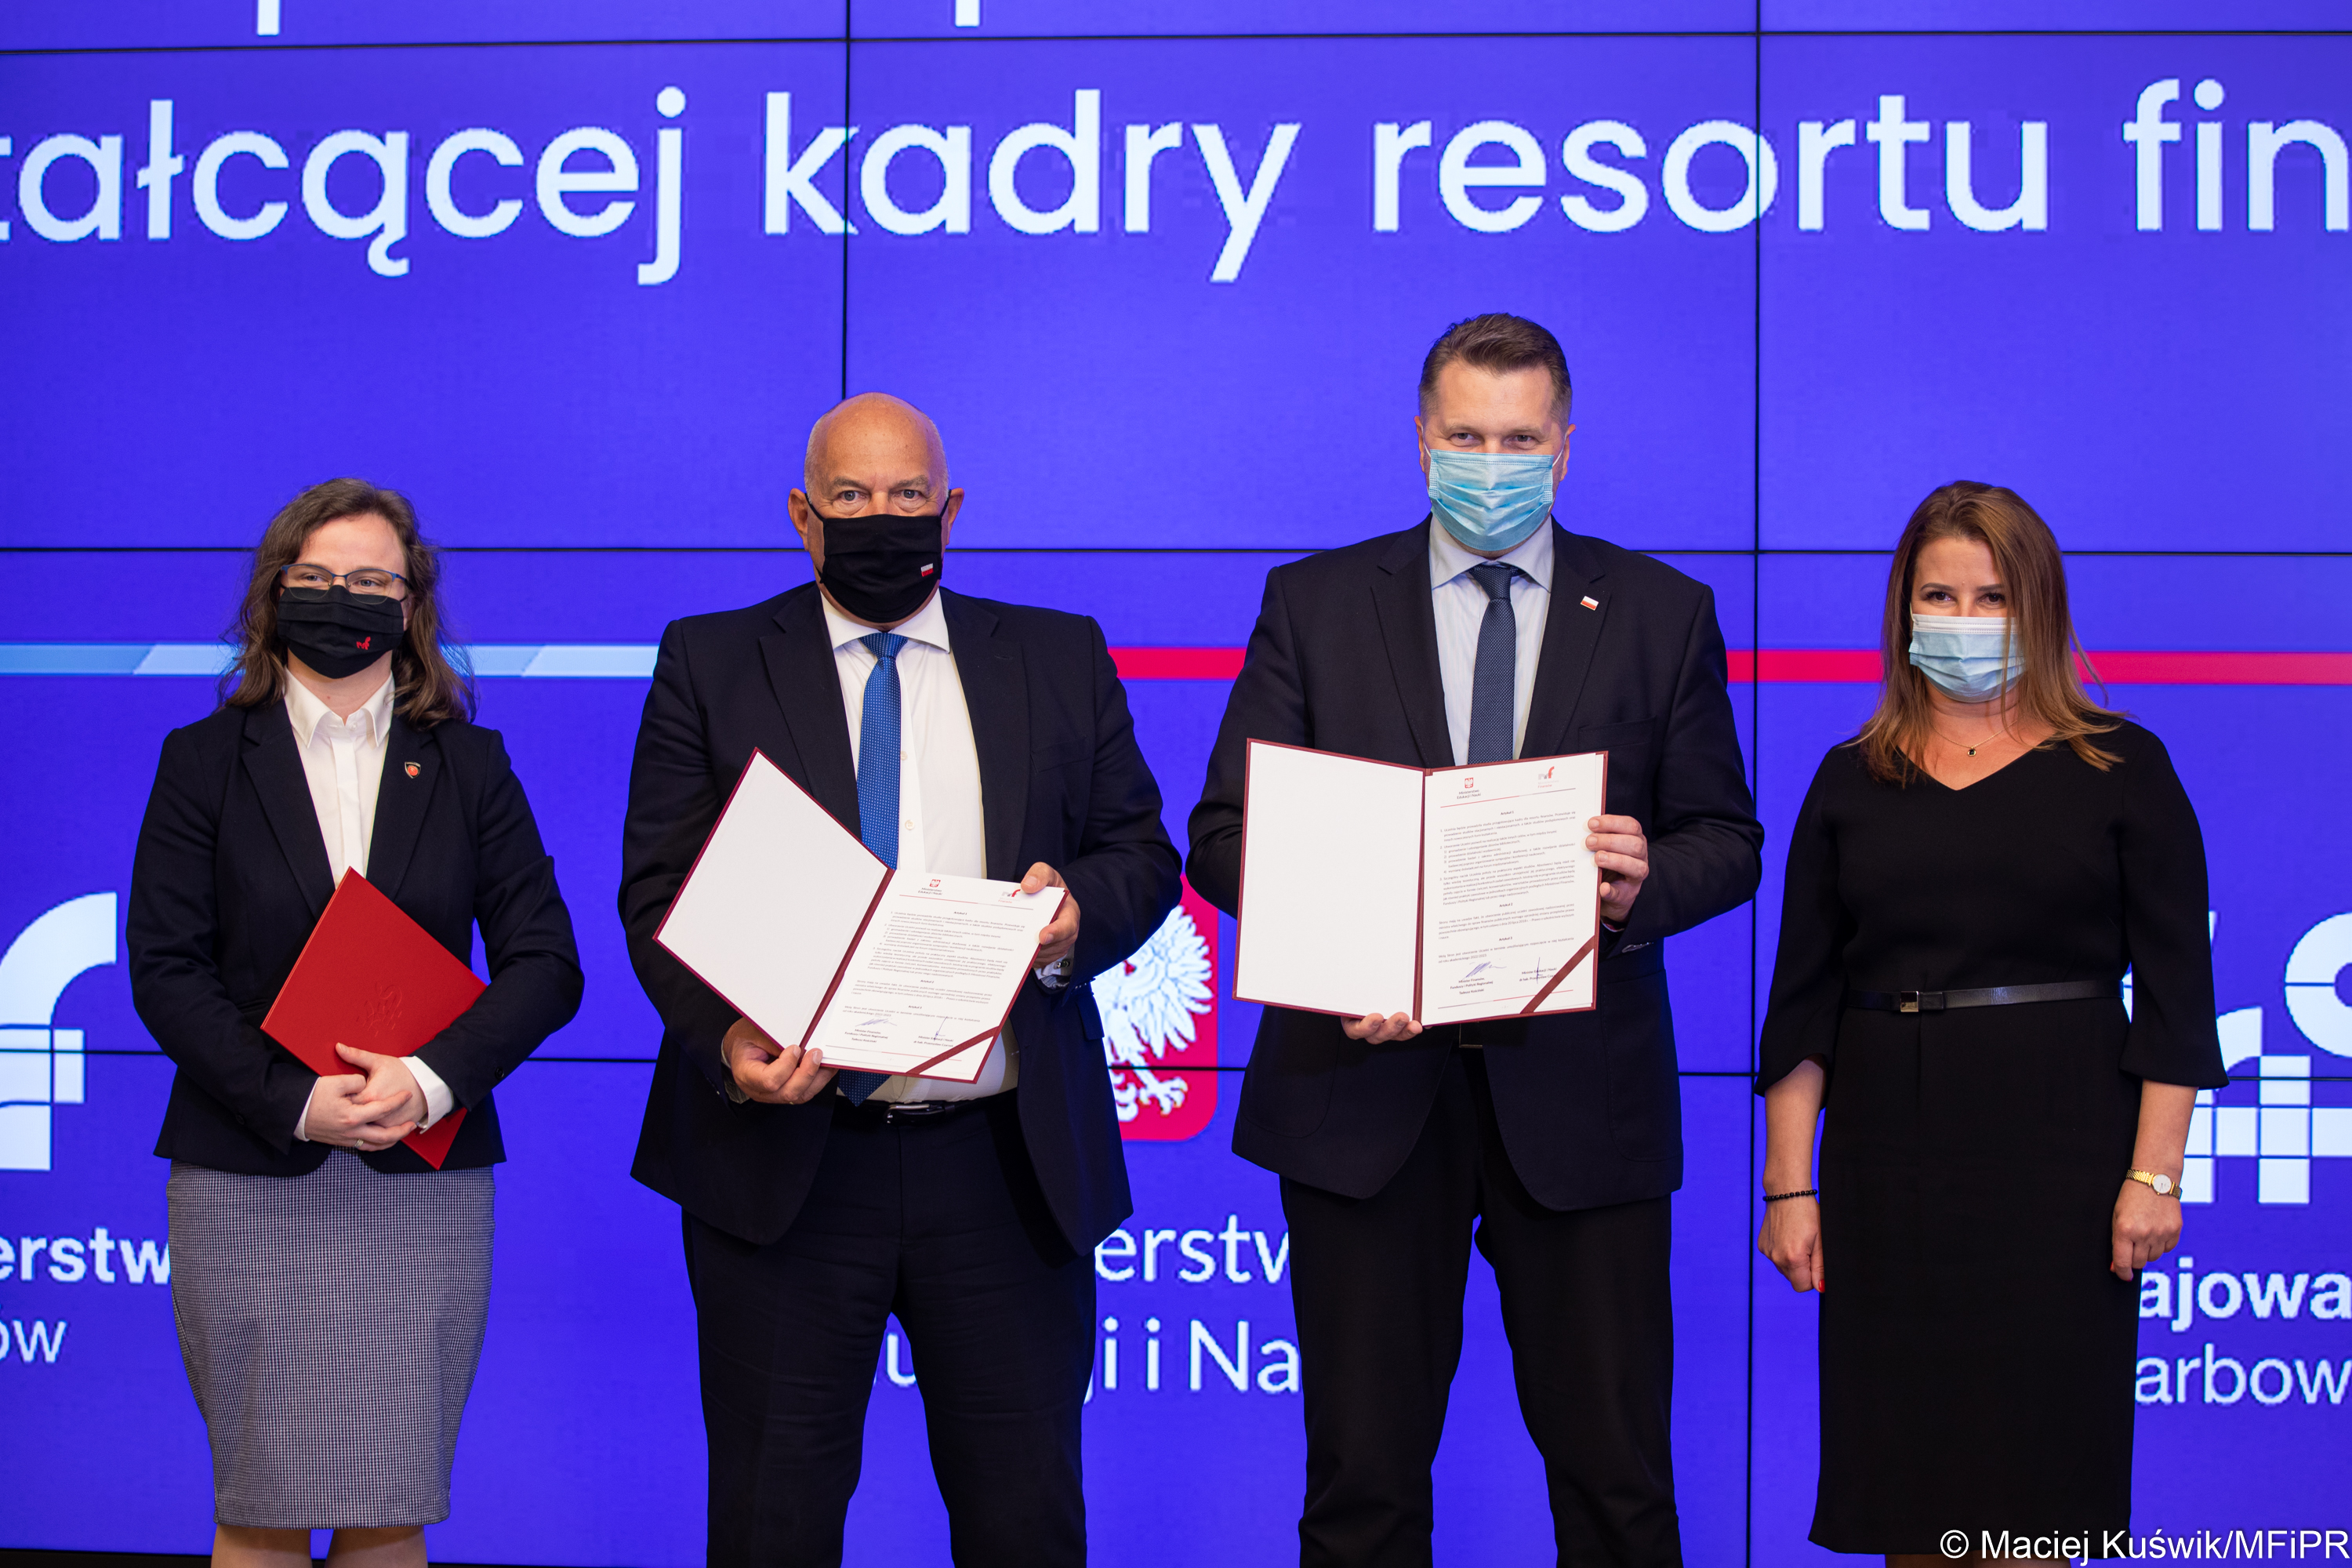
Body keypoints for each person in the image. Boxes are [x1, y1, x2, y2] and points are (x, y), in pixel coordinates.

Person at [1187, 314, 1762, 1567]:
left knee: (1618, 1485)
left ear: (1564, 447)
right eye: (1465, 437)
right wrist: (1348, 944)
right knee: (1363, 1488)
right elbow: (1223, 838)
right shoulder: (1316, 603)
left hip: (1583, 1099)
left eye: (1518, 440)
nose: (1490, 464)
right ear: (1420, 440)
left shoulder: (1661, 612)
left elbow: (1727, 837)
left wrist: (1644, 881)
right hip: (1362, 1092)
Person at [622, 392, 1181, 1566]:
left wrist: (1074, 917)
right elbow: (662, 893)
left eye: (908, 495)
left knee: (1025, 1524)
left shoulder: (1057, 655)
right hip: (784, 1162)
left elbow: (1141, 853)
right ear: (802, 514)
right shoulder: (711, 661)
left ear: (951, 508)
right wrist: (726, 1040)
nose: (882, 517)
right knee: (771, 1527)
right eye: (852, 496)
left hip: (1005, 1168)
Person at [1754, 481, 2225, 1566]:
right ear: (1903, 609)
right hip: (1890, 1168)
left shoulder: (2124, 766)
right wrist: (1789, 1188)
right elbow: (1802, 1006)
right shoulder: (1850, 779)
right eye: (1940, 596)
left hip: (2062, 1163)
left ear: (2040, 607)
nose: (1964, 621)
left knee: (2035, 1501)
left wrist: (2154, 1178)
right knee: (1910, 1496)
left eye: (1993, 597)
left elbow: (2177, 996)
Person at [127, 478, 583, 1568]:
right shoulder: (202, 759)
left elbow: (547, 966)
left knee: (392, 1499)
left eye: (372, 580)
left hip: (419, 1178)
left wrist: (427, 1082)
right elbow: (165, 969)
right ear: (274, 593)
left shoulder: (470, 764)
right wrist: (297, 1102)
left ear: (411, 603)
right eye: (319, 577)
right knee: (262, 1502)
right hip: (249, 1169)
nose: (344, 599)